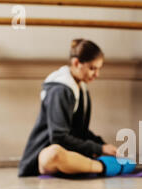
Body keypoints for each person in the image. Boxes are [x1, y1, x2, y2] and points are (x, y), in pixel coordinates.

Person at [18, 39, 123, 177]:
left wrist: (103, 146)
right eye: (92, 68)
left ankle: (97, 164)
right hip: (43, 156)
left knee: (80, 154)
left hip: (67, 152)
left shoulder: (81, 88)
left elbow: (79, 131)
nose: (97, 74)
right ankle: (102, 166)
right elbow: (58, 137)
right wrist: (99, 148)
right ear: (76, 63)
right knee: (55, 153)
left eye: (99, 69)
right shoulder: (60, 91)